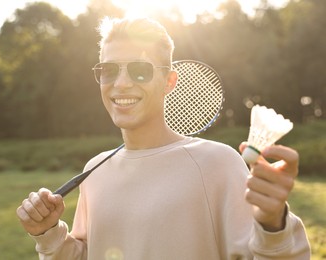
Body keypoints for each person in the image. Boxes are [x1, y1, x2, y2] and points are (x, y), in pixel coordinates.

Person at [16, 17, 310, 259]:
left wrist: (273, 225)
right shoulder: (95, 171)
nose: (121, 83)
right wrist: (50, 234)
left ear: (169, 81)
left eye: (140, 70)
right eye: (108, 70)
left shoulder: (218, 163)